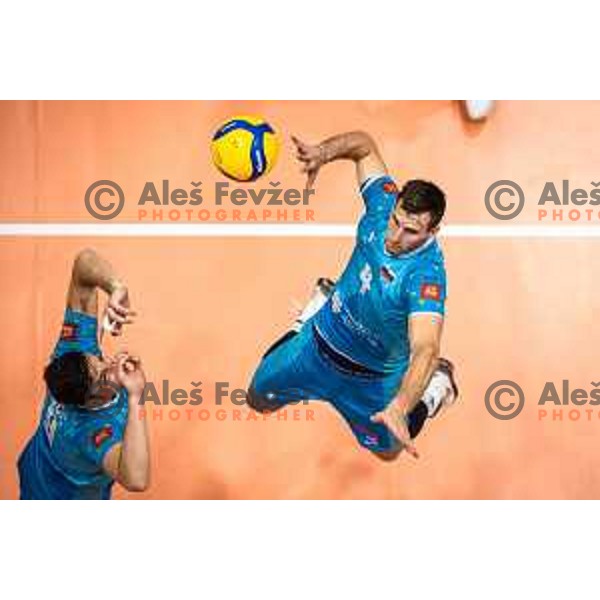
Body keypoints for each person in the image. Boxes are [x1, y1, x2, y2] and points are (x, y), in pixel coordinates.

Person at [248, 131, 458, 460]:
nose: (395, 235)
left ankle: (434, 390)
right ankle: (309, 316)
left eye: (411, 231)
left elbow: (426, 347)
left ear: (433, 232)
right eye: (396, 221)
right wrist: (322, 152)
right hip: (318, 344)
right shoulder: (383, 203)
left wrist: (401, 407)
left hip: (371, 381)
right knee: (256, 400)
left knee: (387, 453)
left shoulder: (426, 276)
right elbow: (364, 146)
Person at [17, 248, 150, 499]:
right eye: (102, 376)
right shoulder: (87, 431)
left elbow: (83, 263)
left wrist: (117, 288)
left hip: (35, 471)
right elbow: (136, 478)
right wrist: (135, 398)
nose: (108, 365)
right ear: (89, 402)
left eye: (98, 359)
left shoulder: (72, 353)